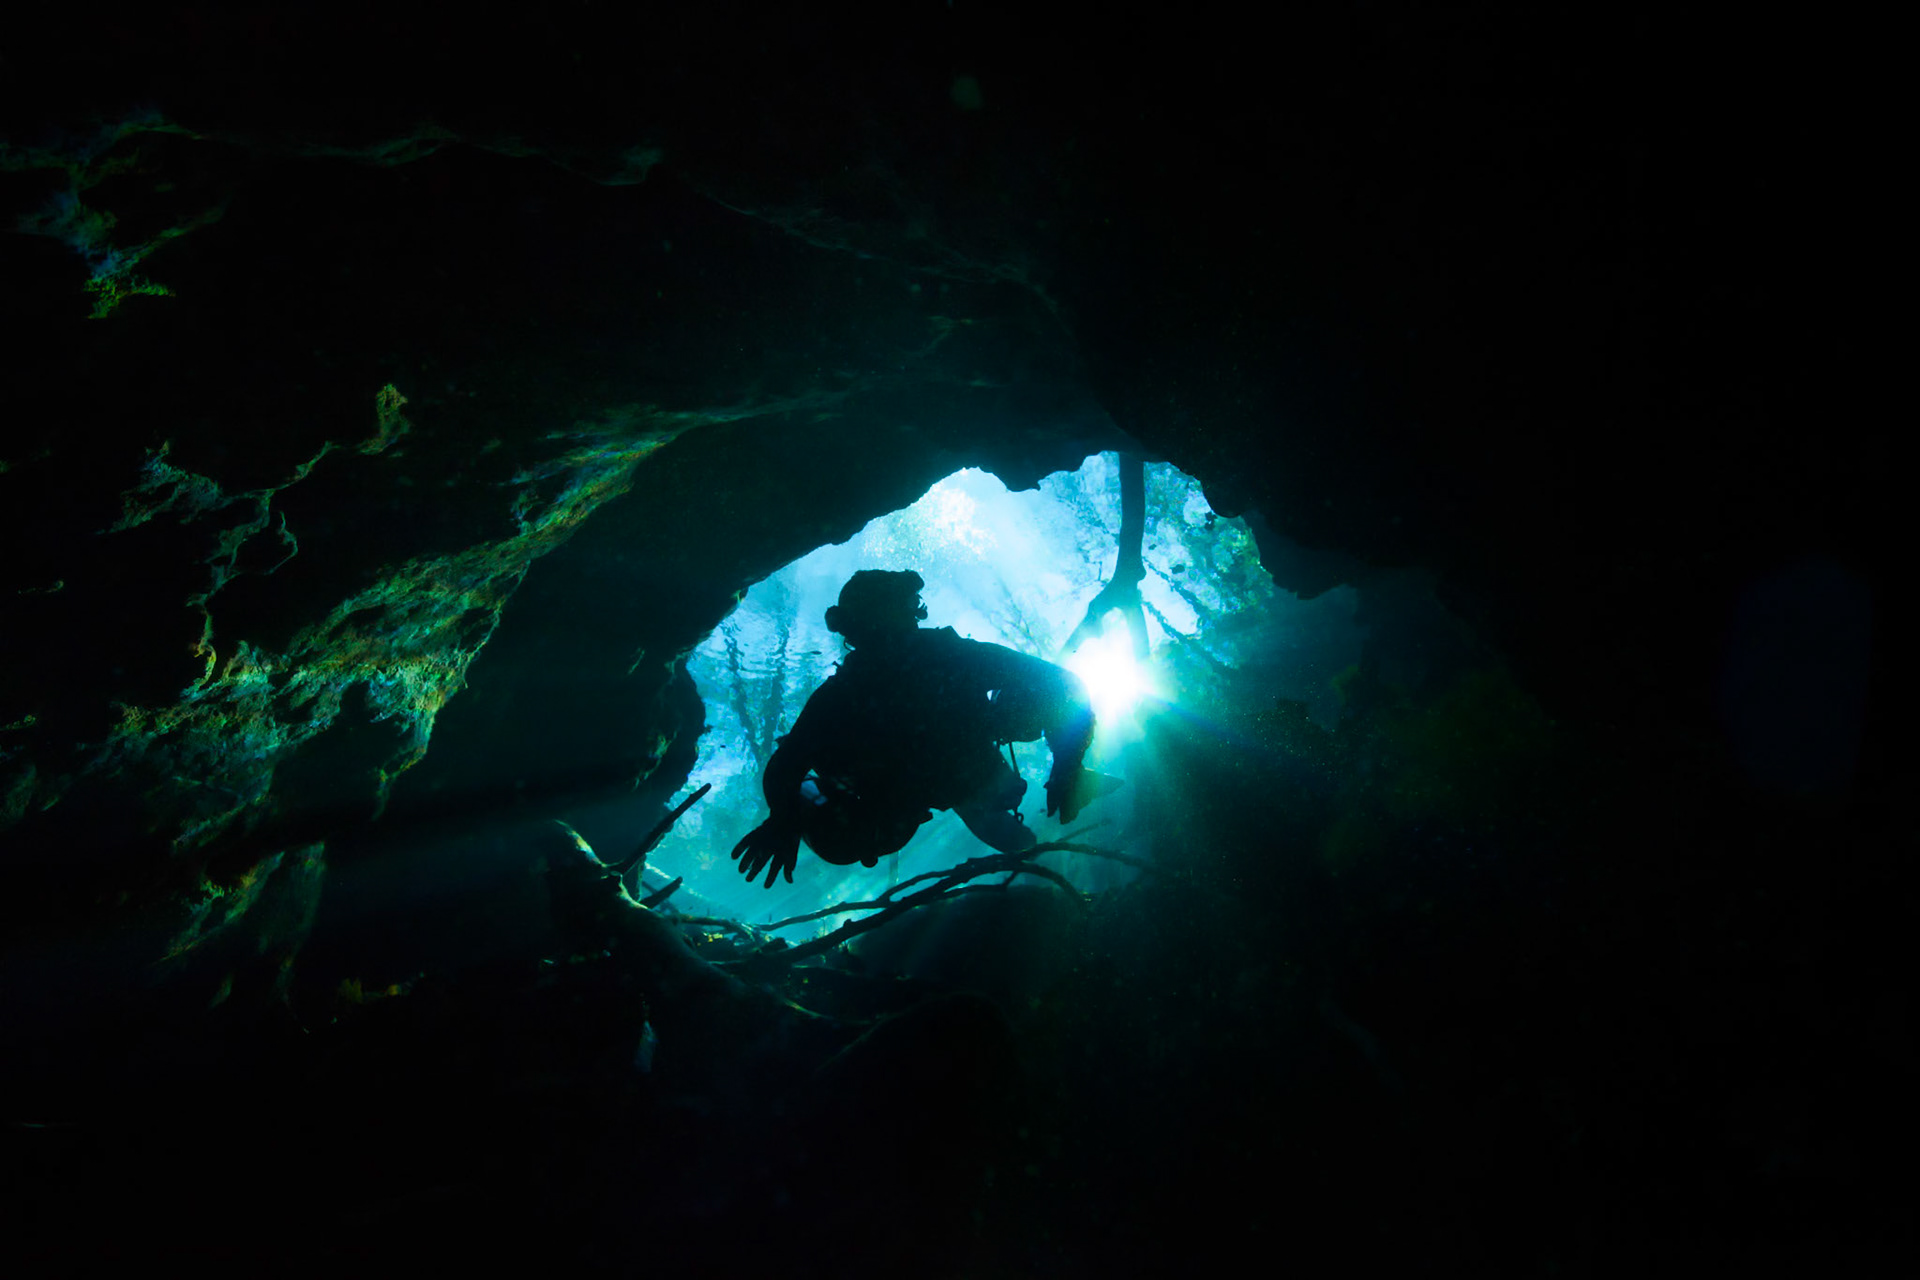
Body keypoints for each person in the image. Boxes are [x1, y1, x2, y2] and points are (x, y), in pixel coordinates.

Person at [730, 570, 1097, 887]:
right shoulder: (936, 664)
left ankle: (983, 800)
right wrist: (784, 818)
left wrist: (1067, 768)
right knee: (842, 841)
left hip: (952, 774)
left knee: (1030, 713)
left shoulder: (943, 661)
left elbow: (1065, 688)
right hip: (905, 793)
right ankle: (978, 800)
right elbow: (787, 763)